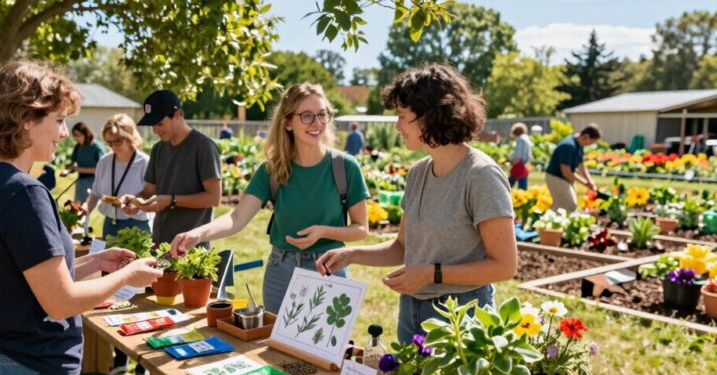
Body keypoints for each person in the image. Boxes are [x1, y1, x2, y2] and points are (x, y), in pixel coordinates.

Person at [0, 61, 162, 375]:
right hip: (30, 374)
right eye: (60, 119)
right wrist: (129, 273)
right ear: (26, 117)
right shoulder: (23, 192)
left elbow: (23, 280)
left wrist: (96, 264)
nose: (64, 132)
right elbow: (60, 301)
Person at [315, 64, 516, 344]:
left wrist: (431, 274)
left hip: (462, 316)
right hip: (412, 312)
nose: (397, 126)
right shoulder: (419, 172)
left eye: (401, 116)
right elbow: (403, 248)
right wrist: (352, 254)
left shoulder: (480, 175)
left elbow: (505, 266)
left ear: (430, 115)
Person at [171, 83, 369, 313]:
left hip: (329, 268)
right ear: (287, 123)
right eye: (306, 116)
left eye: (322, 114)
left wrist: (324, 231)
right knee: (273, 346)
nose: (317, 123)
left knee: (320, 348)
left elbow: (360, 228)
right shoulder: (272, 171)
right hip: (280, 271)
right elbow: (236, 218)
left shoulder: (345, 167)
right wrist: (198, 233)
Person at [83, 113, 151, 375]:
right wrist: (83, 212)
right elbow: (95, 195)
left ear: (130, 136)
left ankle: (142, 366)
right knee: (112, 294)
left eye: (118, 141)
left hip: (137, 230)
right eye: (109, 142)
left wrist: (137, 204)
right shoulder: (104, 162)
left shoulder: (145, 163)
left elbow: (150, 199)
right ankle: (120, 357)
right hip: (110, 229)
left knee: (138, 296)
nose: (114, 147)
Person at [120, 89, 222, 246]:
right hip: (160, 242)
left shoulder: (203, 147)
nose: (155, 130)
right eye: (152, 124)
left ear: (178, 115)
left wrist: (171, 200)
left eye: (160, 123)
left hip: (190, 248)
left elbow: (214, 198)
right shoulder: (158, 149)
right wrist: (136, 202)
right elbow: (148, 191)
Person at [545, 124, 601, 212]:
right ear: (586, 137)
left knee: (560, 206)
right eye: (592, 142)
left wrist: (590, 182)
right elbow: (566, 172)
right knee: (569, 205)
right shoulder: (568, 146)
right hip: (555, 177)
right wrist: (585, 183)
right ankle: (547, 223)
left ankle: (547, 224)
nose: (590, 144)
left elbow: (581, 166)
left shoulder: (579, 146)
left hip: (563, 178)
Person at [61, 122, 106, 204]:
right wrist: (68, 169)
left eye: (79, 135)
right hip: (81, 181)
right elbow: (73, 163)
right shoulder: (78, 146)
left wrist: (79, 169)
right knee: (76, 207)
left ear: (86, 134)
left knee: (84, 209)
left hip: (94, 182)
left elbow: (101, 170)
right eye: (75, 136)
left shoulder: (96, 147)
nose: (76, 138)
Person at [508, 122, 533, 190]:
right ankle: (523, 196)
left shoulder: (520, 140)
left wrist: (513, 163)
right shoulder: (527, 139)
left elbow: (518, 155)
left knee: (509, 183)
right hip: (524, 164)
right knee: (522, 184)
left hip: (519, 164)